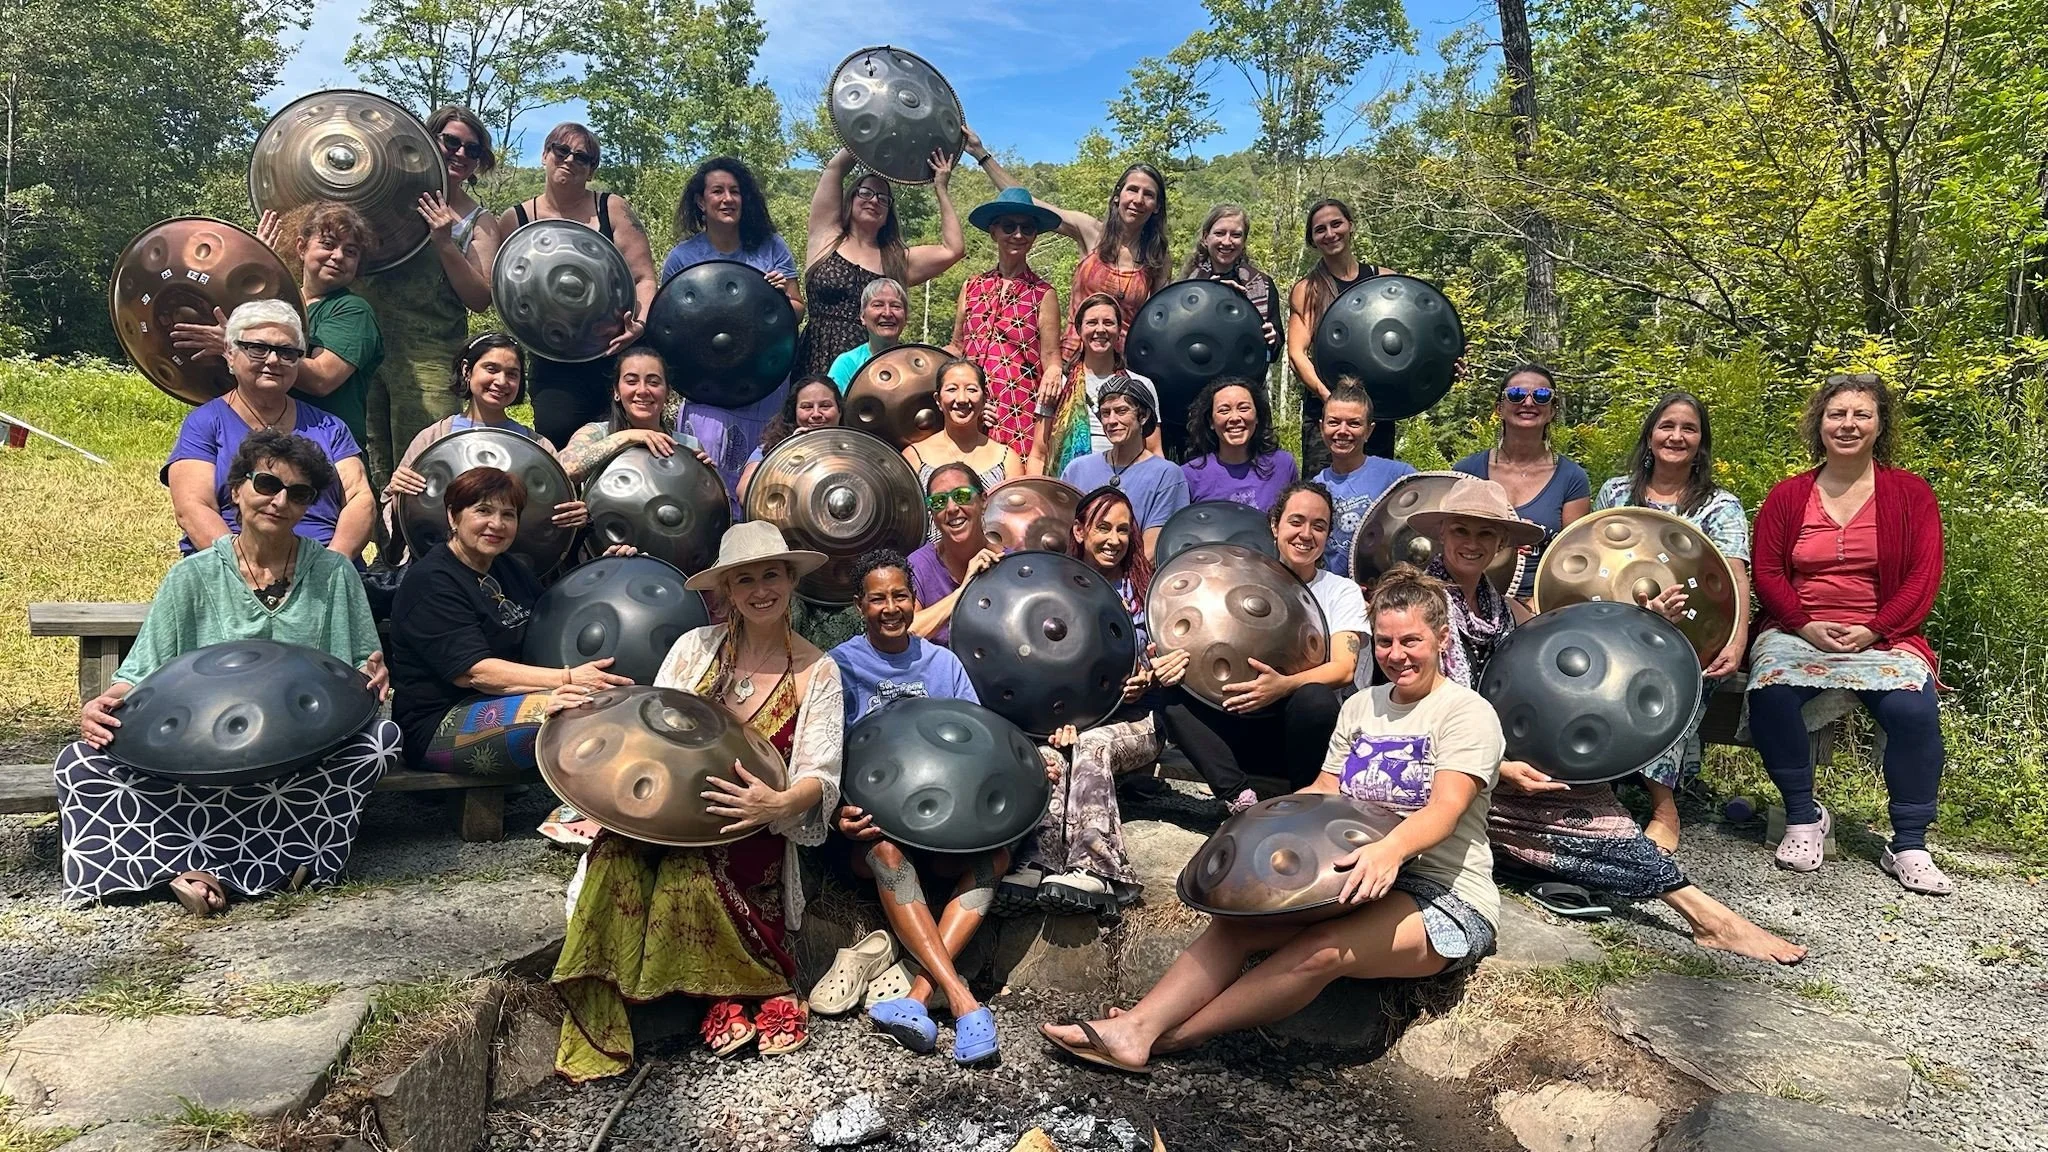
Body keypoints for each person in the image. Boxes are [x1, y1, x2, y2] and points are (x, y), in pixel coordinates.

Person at [1040, 566, 1501, 1075]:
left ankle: (1174, 1037)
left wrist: (1390, 851)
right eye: (1386, 642)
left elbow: (1445, 809)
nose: (1396, 655)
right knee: (1235, 926)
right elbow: (1326, 790)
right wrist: (1259, 826)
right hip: (1356, 875)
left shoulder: (1466, 712)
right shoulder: (1363, 707)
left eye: (1411, 640)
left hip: (1440, 891)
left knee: (1322, 952)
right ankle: (1137, 1026)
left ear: (1441, 636)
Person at [1410, 478, 1807, 963]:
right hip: (1447, 773)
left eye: (1485, 534)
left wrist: (1650, 618)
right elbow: (1424, 712)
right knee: (1595, 824)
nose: (1472, 544)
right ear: (1443, 534)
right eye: (1461, 531)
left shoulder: (1495, 603)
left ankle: (1538, 863)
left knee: (1591, 800)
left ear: (1502, 545)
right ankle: (1707, 918)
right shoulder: (1423, 604)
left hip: (1497, 765)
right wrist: (1499, 769)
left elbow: (1578, 634)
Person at [54, 431, 399, 914]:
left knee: (378, 742)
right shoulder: (191, 576)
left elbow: (364, 665)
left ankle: (212, 872)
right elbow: (143, 669)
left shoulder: (335, 573)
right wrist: (102, 704)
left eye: (298, 494)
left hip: (297, 752)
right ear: (236, 489)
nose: (280, 501)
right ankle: (261, 868)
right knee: (81, 762)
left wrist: (375, 679)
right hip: (200, 747)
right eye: (267, 484)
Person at [554, 522, 845, 1076]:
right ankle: (609, 994)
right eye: (744, 580)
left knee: (692, 868)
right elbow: (650, 731)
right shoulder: (694, 649)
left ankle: (744, 984)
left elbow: (821, 776)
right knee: (615, 855)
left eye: (770, 575)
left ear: (789, 580)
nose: (760, 589)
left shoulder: (817, 670)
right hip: (667, 816)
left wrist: (775, 806)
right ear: (727, 592)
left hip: (750, 829)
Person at [1746, 373, 1949, 895]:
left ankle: (1908, 844)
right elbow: (1767, 573)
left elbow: (1923, 577)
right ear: (1820, 422)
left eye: (1862, 414)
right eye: (1837, 414)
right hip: (1798, 628)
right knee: (1769, 692)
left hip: (1885, 633)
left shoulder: (1910, 494)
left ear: (1880, 425)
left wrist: (1874, 629)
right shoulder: (1789, 495)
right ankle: (1803, 816)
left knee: (1913, 709)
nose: (1848, 424)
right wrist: (1804, 624)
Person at [827, 550, 1018, 1063]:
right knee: (887, 850)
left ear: (915, 599)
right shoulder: (840, 666)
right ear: (858, 605)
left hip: (941, 833)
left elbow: (977, 745)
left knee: (993, 859)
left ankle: (916, 998)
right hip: (871, 837)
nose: (891, 607)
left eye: (900, 596)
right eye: (877, 598)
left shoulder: (943, 663)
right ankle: (962, 999)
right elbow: (821, 755)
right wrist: (836, 814)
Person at [387, 467, 631, 774]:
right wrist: (567, 680)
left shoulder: (508, 568)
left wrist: (608, 570)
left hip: (508, 701)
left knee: (606, 707)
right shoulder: (431, 582)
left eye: (509, 514)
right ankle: (575, 820)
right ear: (453, 516)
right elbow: (474, 674)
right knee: (573, 715)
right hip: (439, 723)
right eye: (483, 511)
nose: (496, 524)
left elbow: (555, 622)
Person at [1594, 392, 1753, 851]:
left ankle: (1664, 808)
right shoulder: (1615, 493)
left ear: (1701, 443)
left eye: (1689, 428)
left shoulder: (1720, 506)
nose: (1676, 437)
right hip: (1621, 630)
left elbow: (1737, 577)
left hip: (1694, 640)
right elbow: (1596, 571)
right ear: (1650, 435)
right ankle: (1597, 786)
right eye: (1667, 426)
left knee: (1674, 684)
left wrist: (1737, 640)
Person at [1160, 482, 1365, 813]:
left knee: (1314, 697)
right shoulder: (1238, 575)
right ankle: (1238, 798)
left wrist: (1281, 686)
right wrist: (1169, 665)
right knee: (1169, 691)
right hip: (1236, 724)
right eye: (1296, 521)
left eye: (1319, 526)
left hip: (1297, 735)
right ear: (1275, 525)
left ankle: (1306, 802)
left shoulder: (1341, 591)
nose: (1306, 534)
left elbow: (1343, 668)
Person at [1028, 486, 1186, 914]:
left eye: (1122, 530)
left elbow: (1175, 655)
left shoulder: (1148, 590)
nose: (1114, 539)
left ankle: (1100, 869)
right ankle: (1040, 865)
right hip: (1078, 720)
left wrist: (1151, 677)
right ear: (1079, 530)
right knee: (1052, 757)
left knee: (1092, 746)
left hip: (1142, 721)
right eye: (1103, 528)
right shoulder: (1054, 589)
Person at [357, 105, 504, 489]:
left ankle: (418, 547)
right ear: (428, 141)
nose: (460, 153)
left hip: (432, 361)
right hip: (367, 348)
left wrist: (444, 242)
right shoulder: (385, 193)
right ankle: (378, 548)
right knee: (366, 461)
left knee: (424, 468)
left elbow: (480, 297)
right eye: (450, 141)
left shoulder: (479, 221)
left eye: (472, 150)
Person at [164, 299, 374, 557]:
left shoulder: (330, 427)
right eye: (258, 348)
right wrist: (243, 568)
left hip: (324, 566)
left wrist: (332, 562)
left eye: (287, 352)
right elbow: (193, 507)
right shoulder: (204, 423)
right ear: (230, 353)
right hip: (229, 567)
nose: (273, 360)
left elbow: (359, 500)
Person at [172, 203, 384, 455]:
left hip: (324, 448)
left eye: (350, 251)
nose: (338, 256)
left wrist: (240, 347)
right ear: (302, 247)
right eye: (328, 244)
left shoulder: (352, 310)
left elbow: (322, 379)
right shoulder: (277, 304)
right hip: (258, 444)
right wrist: (250, 264)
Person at [502, 123, 659, 449]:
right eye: (562, 151)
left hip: (614, 352)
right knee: (557, 437)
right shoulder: (515, 219)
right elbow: (500, 292)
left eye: (583, 157)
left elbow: (644, 277)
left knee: (622, 442)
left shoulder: (612, 208)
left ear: (590, 171)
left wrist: (640, 326)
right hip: (552, 357)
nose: (570, 160)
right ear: (545, 155)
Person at [663, 157, 809, 494]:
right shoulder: (683, 258)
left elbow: (798, 309)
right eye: (718, 191)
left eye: (735, 191)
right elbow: (670, 327)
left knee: (761, 485)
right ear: (701, 201)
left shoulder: (771, 246)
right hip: (707, 390)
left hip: (764, 385)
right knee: (707, 484)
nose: (728, 199)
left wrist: (780, 300)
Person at [380, 334, 590, 560]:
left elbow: (556, 518)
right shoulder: (433, 436)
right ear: (466, 370)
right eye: (491, 369)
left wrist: (577, 519)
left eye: (512, 374)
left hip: (515, 569)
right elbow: (397, 515)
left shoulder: (538, 446)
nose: (501, 381)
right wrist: (398, 495)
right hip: (441, 567)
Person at [976, 137, 1169, 358]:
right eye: (1132, 190)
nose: (1138, 200)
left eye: (1149, 195)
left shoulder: (1157, 256)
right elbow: (1028, 203)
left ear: (1156, 207)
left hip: (1122, 367)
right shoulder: (1090, 232)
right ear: (1117, 197)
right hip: (1073, 358)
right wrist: (981, 154)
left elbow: (1159, 321)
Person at [798, 147, 963, 374]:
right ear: (851, 199)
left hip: (873, 371)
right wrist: (872, 136)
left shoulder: (896, 260)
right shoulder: (826, 238)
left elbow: (953, 249)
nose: (874, 201)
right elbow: (835, 169)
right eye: (865, 193)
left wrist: (941, 188)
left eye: (883, 199)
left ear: (888, 214)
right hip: (813, 358)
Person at [1452, 364, 1591, 602]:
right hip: (1470, 598)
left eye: (1541, 396)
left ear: (1552, 411)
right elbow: (1449, 544)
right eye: (1516, 395)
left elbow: (1575, 558)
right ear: (1500, 408)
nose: (1528, 403)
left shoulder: (1572, 478)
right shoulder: (1467, 471)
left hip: (1541, 602)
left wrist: (1538, 607)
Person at [946, 187, 1064, 455]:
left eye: (1027, 229)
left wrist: (1056, 371)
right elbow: (957, 346)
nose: (1018, 235)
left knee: (1014, 489)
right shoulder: (972, 285)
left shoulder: (1043, 294)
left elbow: (1051, 357)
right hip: (969, 406)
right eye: (1009, 227)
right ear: (994, 231)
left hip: (1018, 410)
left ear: (1035, 236)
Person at [1286, 199, 1400, 471]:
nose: (1330, 233)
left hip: (1376, 410)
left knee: (1377, 490)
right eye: (1320, 229)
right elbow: (1296, 353)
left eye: (1336, 224)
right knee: (1323, 491)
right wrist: (1328, 398)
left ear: (1351, 226)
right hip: (1327, 412)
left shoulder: (1383, 280)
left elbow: (1411, 339)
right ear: (1313, 239)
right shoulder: (1308, 289)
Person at [1026, 292, 1162, 478]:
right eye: (1092, 323)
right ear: (1079, 330)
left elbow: (1154, 450)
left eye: (1108, 322)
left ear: (1119, 330)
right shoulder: (1057, 384)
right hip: (1069, 487)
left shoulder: (1140, 385)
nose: (1100, 330)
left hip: (1128, 481)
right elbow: (1039, 454)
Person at [1058, 376, 1188, 559]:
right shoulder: (1077, 469)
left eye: (1121, 411)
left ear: (1143, 416)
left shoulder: (1166, 475)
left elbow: (1153, 551)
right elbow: (1064, 533)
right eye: (1105, 413)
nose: (1112, 420)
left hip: (1131, 582)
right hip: (1078, 577)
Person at [1316, 381, 1416, 580]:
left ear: (1369, 431)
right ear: (1322, 427)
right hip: (1337, 595)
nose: (1342, 431)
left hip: (1388, 593)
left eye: (1354, 423)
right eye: (1334, 422)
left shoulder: (1398, 475)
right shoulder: (1315, 487)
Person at [902, 359, 1023, 518]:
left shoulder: (1007, 459)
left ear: (984, 398)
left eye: (971, 390)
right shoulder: (914, 458)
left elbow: (1015, 523)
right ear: (938, 400)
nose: (962, 399)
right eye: (952, 389)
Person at [555, 347, 687, 483]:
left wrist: (705, 474)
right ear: (616, 392)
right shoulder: (596, 433)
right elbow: (561, 471)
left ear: (668, 393)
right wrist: (627, 437)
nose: (642, 390)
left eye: (653, 382)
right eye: (631, 381)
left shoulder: (687, 445)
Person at [907, 463, 1001, 648]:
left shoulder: (1010, 562)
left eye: (962, 496)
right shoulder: (918, 565)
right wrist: (964, 591)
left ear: (983, 501)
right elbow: (906, 634)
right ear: (932, 514)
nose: (951, 508)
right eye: (939, 501)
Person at [1180, 204, 1283, 362]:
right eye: (1220, 233)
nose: (1227, 242)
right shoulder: (1186, 284)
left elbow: (1274, 351)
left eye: (1235, 235)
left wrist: (1272, 337)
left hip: (1244, 380)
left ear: (1244, 241)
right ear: (1206, 238)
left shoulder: (1264, 285)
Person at [1179, 377, 1299, 508]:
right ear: (1211, 422)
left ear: (1257, 416)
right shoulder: (1189, 475)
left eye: (1243, 408)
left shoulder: (1283, 465)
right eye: (1224, 410)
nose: (1235, 418)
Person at [738, 375, 844, 503]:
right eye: (807, 407)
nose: (816, 414)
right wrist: (788, 454)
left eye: (825, 406)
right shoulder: (769, 449)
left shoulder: (859, 449)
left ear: (840, 411)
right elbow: (745, 494)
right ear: (794, 412)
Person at [828, 278, 908, 391]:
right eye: (878, 305)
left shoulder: (918, 361)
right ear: (862, 316)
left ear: (906, 317)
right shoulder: (847, 363)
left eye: (896, 306)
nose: (887, 313)